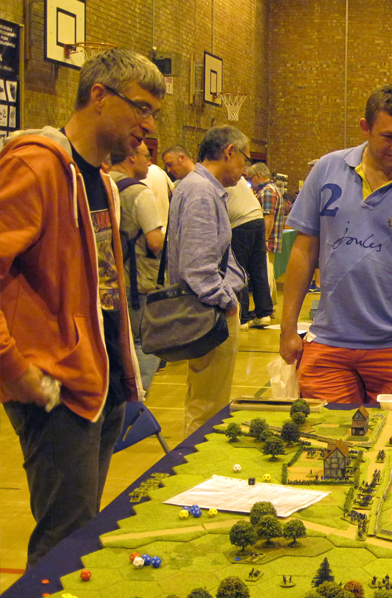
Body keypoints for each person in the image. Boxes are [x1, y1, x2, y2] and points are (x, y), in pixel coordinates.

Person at [0, 48, 165, 567]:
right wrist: (15, 369)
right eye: (141, 108)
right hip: (55, 388)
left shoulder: (101, 182)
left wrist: (124, 376)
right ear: (98, 95)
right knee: (62, 547)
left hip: (101, 384)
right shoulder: (36, 164)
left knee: (81, 537)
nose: (148, 126)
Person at [279, 84, 392, 404]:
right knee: (326, 431)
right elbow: (303, 250)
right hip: (328, 342)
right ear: (365, 128)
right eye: (388, 136)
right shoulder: (326, 170)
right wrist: (287, 327)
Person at [167, 126, 248, 437]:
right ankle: (195, 461)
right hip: (209, 312)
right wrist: (226, 303)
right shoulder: (201, 191)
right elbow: (198, 267)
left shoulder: (197, 187)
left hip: (205, 310)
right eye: (244, 158)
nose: (245, 169)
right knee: (208, 409)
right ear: (229, 152)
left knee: (202, 399)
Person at [109, 141, 165, 391]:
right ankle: (136, 400)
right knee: (145, 341)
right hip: (137, 281)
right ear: (131, 157)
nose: (149, 162)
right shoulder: (139, 192)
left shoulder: (100, 183)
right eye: (146, 155)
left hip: (105, 279)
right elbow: (155, 242)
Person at [227, 174, 273, 329]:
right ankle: (264, 314)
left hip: (239, 224)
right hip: (257, 219)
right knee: (258, 269)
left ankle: (242, 318)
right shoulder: (237, 177)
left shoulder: (215, 176)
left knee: (238, 270)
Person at [247, 162, 285, 304]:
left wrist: (263, 241)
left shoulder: (267, 191)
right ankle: (270, 305)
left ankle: (265, 307)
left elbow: (268, 218)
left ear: (258, 176)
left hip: (267, 241)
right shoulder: (271, 189)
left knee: (265, 274)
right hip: (269, 239)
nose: (250, 182)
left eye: (250, 178)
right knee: (269, 272)